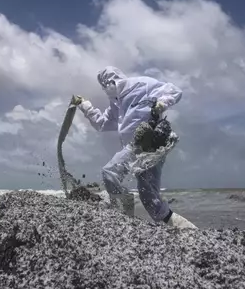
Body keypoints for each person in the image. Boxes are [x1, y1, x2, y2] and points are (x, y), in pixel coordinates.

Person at [72, 66, 197, 229]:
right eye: (103, 87)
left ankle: (187, 230)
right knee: (128, 183)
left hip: (153, 143)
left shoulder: (143, 84)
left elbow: (174, 91)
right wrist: (84, 105)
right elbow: (102, 124)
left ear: (112, 80)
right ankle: (128, 216)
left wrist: (162, 103)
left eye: (105, 85)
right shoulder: (116, 102)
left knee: (135, 188)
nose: (105, 89)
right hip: (134, 146)